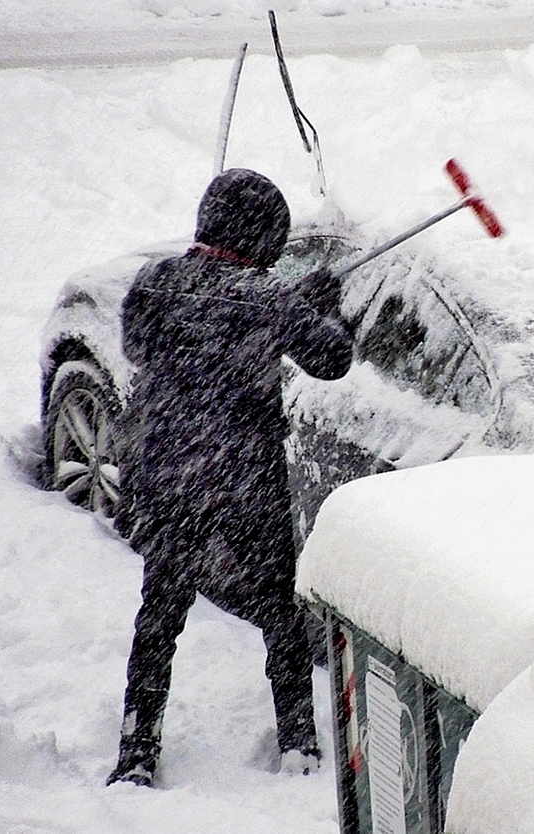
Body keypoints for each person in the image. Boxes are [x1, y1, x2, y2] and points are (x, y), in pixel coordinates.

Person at [107, 168, 353, 787]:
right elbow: (332, 359)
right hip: (244, 485)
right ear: (266, 238)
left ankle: (137, 749)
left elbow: (137, 347)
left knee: (159, 612)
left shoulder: (156, 282)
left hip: (170, 481)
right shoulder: (270, 301)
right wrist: (321, 307)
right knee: (278, 612)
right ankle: (297, 743)